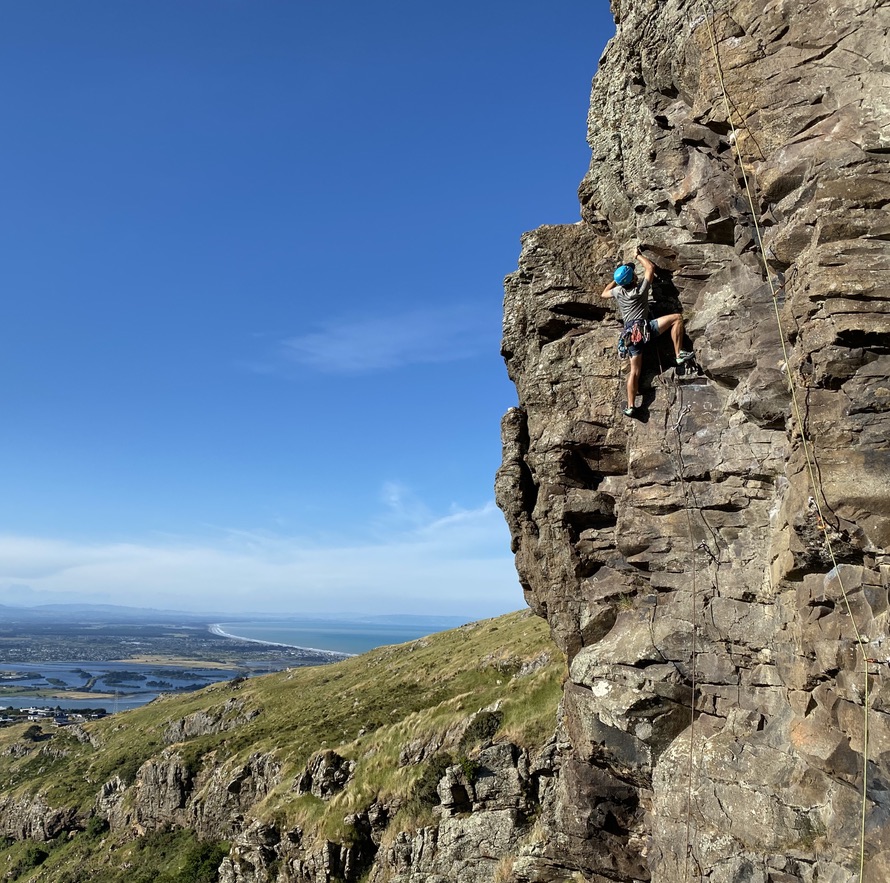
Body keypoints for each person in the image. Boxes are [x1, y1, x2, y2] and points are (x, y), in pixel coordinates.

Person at [601, 249, 693, 417]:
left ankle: (630, 406)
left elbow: (603, 293)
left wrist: (616, 281)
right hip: (645, 329)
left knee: (634, 371)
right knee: (677, 318)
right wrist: (637, 255)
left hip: (630, 337)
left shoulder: (618, 292)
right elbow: (650, 268)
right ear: (633, 278)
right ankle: (679, 353)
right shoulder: (640, 290)